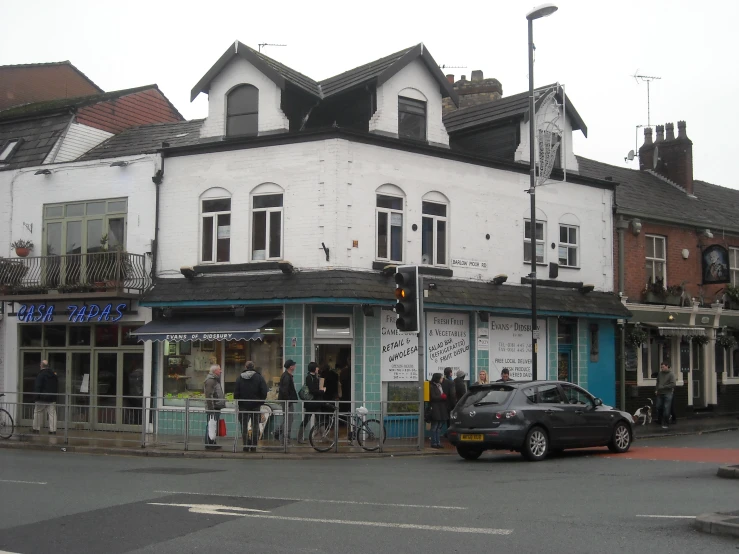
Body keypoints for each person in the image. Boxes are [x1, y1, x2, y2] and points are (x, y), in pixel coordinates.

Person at [233, 361, 268, 452]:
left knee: (244, 426)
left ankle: (245, 445)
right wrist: (261, 401)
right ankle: (253, 445)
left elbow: (236, 392)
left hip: (243, 405)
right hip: (255, 405)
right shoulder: (259, 378)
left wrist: (239, 401)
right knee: (255, 425)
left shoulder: (240, 378)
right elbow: (264, 391)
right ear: (253, 367)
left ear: (245, 367)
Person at [300, 361, 326, 442]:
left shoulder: (316, 377)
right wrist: (322, 391)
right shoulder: (309, 377)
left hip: (316, 402)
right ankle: (299, 438)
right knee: (307, 419)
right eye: (317, 367)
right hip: (311, 403)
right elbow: (312, 390)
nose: (318, 369)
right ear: (314, 369)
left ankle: (324, 436)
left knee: (320, 419)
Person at [32, 360, 58, 435]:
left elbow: (38, 386)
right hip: (51, 398)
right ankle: (53, 430)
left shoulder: (41, 375)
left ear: (41, 365)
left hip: (41, 398)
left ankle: (36, 428)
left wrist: (35, 397)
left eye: (40, 364)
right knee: (52, 414)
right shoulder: (53, 374)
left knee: (37, 412)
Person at [276, 359, 298, 444]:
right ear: (290, 367)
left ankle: (278, 432)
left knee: (288, 418)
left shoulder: (287, 375)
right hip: (286, 401)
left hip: (287, 400)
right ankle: (285, 438)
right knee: (289, 419)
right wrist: (288, 401)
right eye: (294, 365)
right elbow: (284, 390)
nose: (295, 366)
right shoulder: (286, 377)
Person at [203, 365, 226, 449]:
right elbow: (209, 395)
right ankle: (209, 443)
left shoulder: (215, 380)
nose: (221, 371)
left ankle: (212, 442)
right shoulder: (210, 381)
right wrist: (211, 409)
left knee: (213, 425)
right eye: (219, 370)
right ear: (214, 371)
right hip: (213, 407)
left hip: (216, 406)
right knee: (211, 424)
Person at [428, 373, 448, 449]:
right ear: (437, 378)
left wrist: (443, 396)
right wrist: (441, 397)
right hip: (435, 408)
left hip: (441, 408)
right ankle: (434, 442)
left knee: (439, 426)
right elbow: (433, 397)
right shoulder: (432, 386)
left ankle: (438, 442)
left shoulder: (440, 386)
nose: (442, 379)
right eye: (441, 378)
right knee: (435, 426)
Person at [655, 361, 676, 429]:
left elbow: (673, 384)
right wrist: (656, 389)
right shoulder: (660, 374)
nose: (662, 368)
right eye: (661, 367)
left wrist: (664, 387)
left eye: (663, 367)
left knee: (666, 408)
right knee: (658, 406)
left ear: (667, 366)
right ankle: (660, 420)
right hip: (660, 393)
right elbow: (657, 382)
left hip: (668, 393)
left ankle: (666, 423)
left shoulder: (671, 374)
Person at [441, 367, 457, 434]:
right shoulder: (451, 382)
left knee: (441, 420)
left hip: (442, 403)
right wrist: (454, 404)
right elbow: (453, 395)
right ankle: (448, 433)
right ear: (450, 373)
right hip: (449, 404)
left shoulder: (442, 381)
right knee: (450, 420)